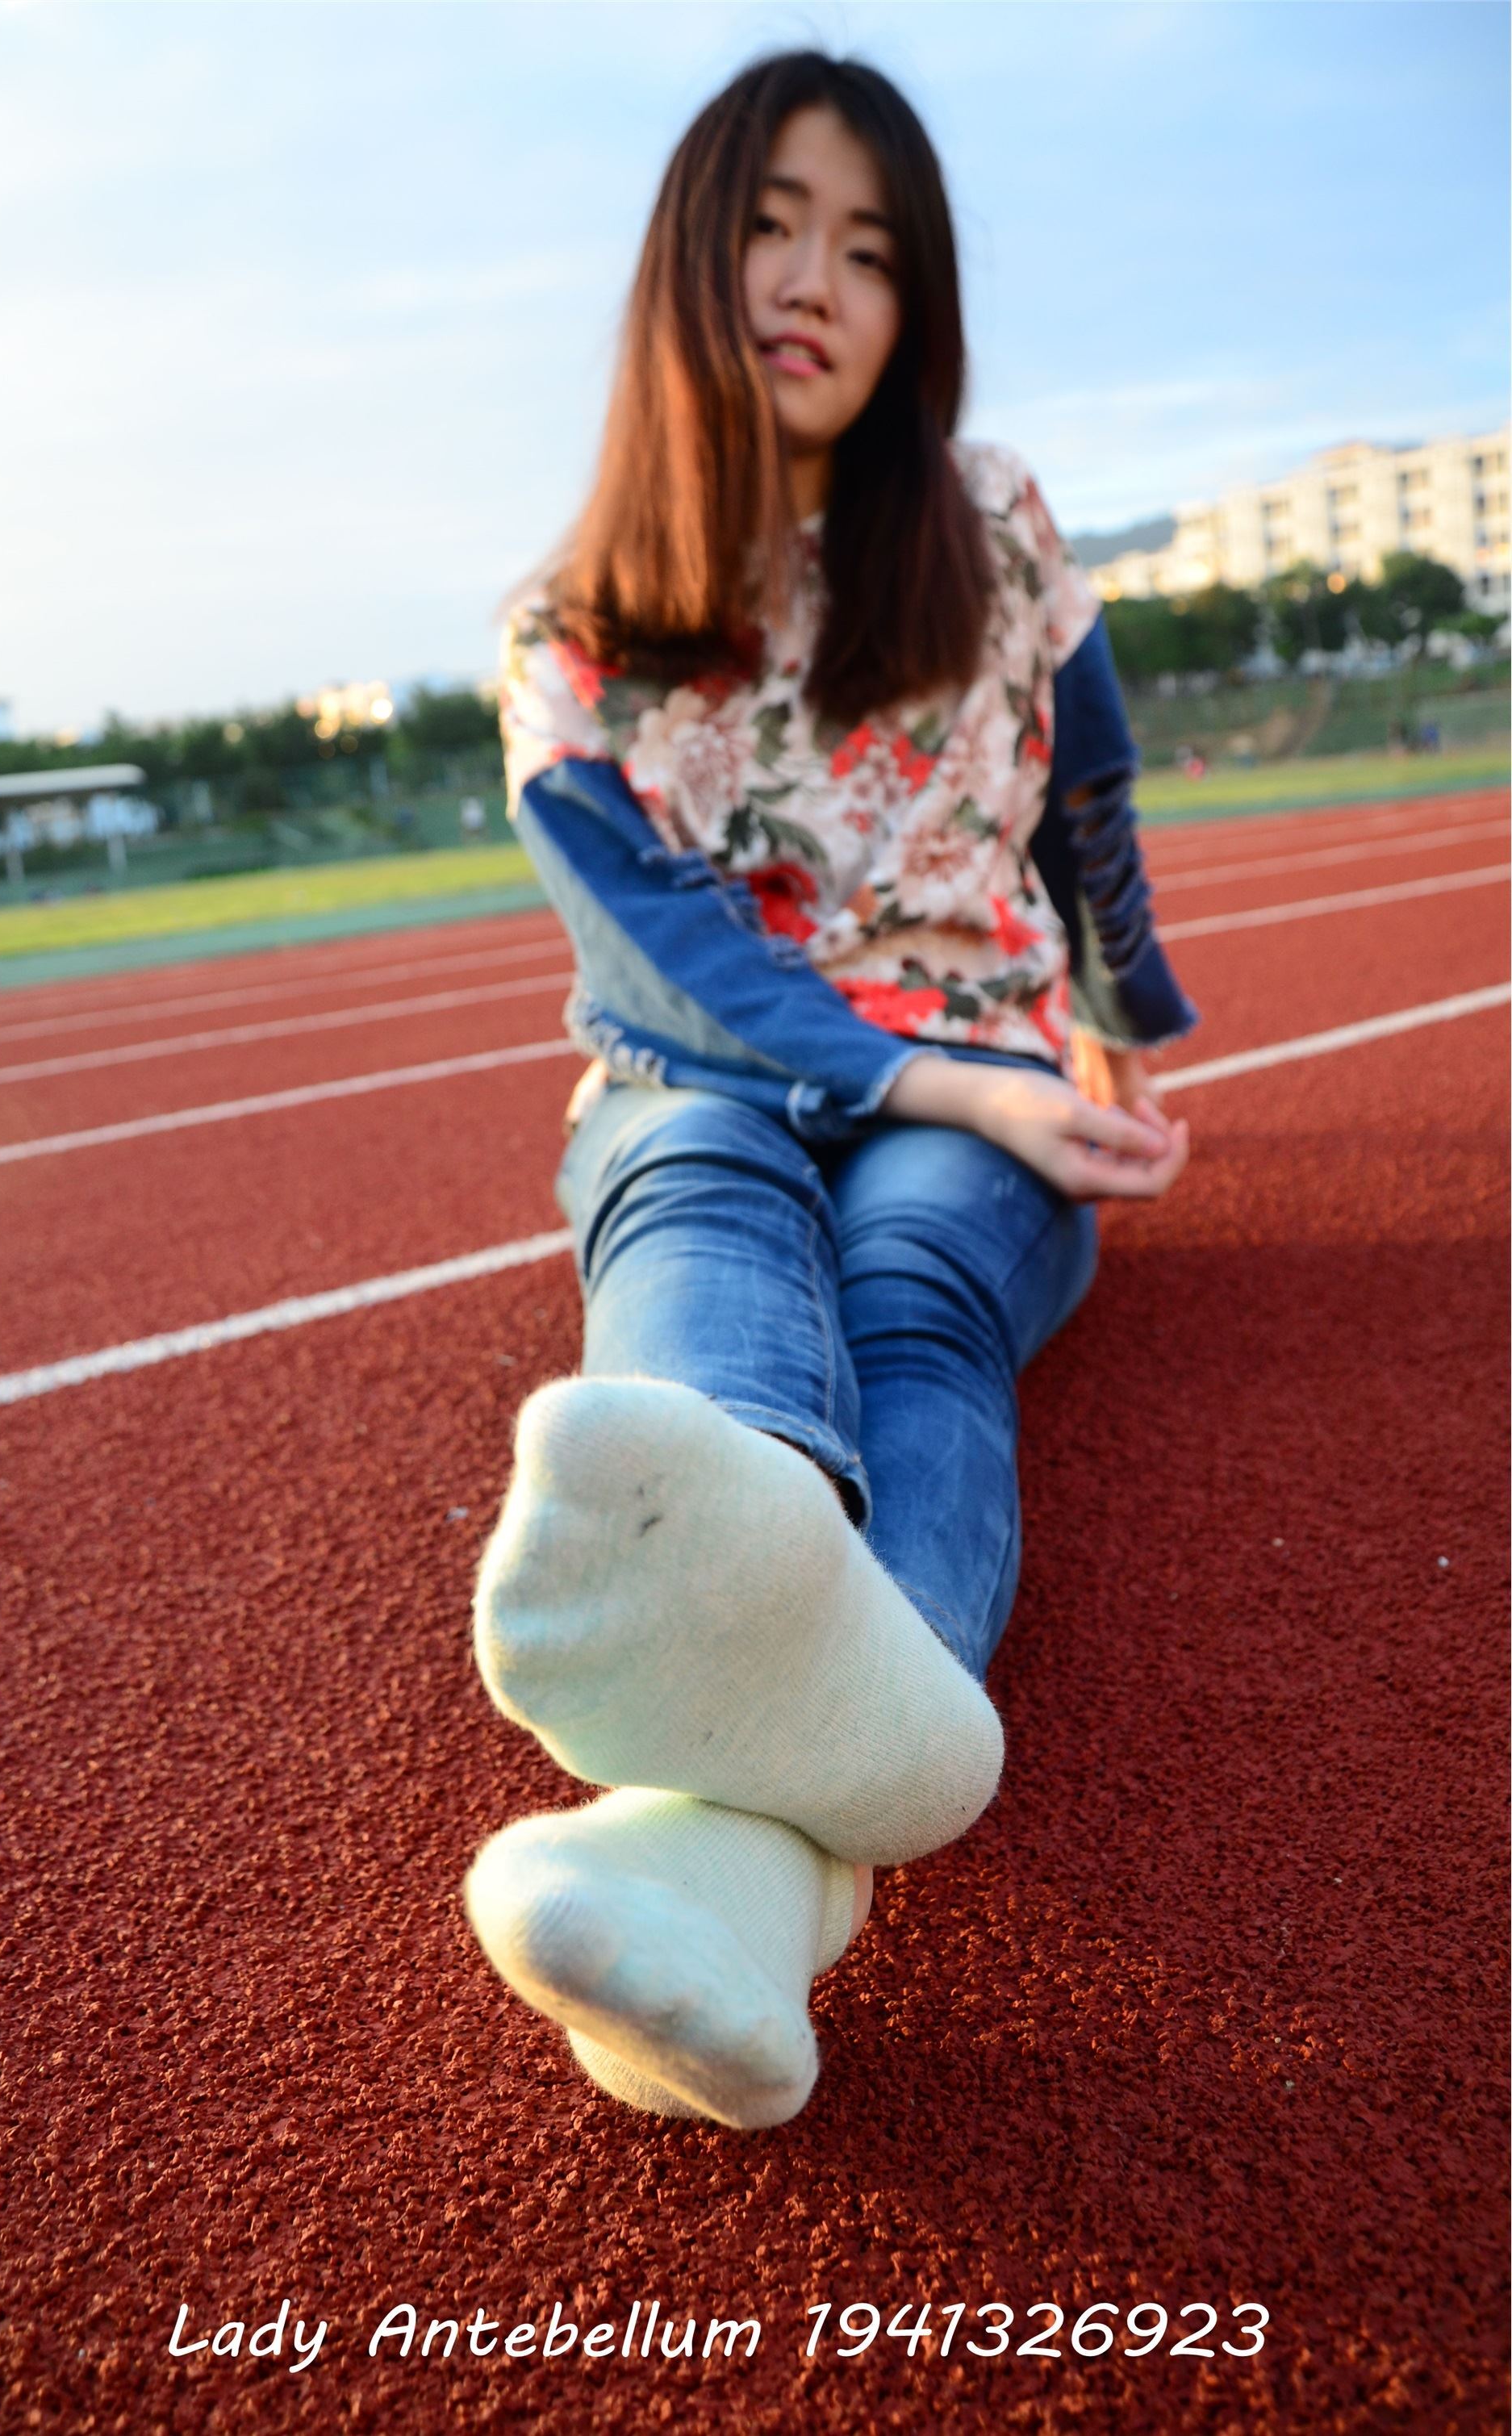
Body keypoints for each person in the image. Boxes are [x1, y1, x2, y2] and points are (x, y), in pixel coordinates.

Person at [462, 49, 1197, 2131]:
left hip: (984, 1074)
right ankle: (778, 1691)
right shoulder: (569, 631)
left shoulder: (988, 521)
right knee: (693, 1188)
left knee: (917, 1293)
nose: (817, 281)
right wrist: (921, 1080)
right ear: (692, 262)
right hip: (705, 1065)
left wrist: (1112, 1030)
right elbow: (667, 964)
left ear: (916, 307)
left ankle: (710, 1843)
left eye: (872, 251)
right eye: (777, 223)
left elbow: (1099, 789)